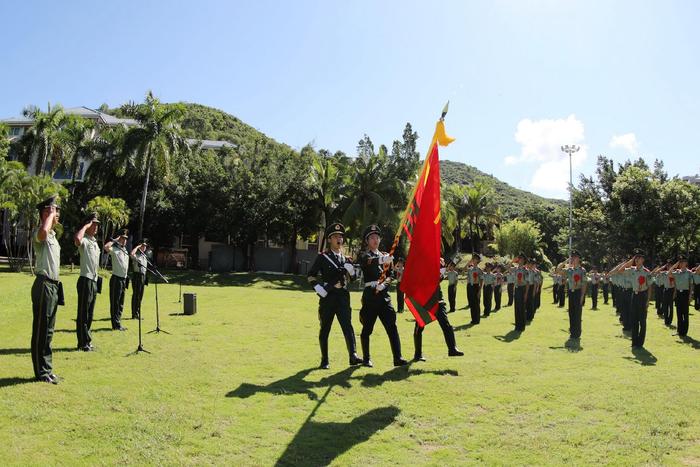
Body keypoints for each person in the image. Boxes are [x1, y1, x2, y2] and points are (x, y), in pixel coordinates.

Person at [307, 223, 362, 369]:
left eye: (341, 237)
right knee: (325, 328)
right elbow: (311, 276)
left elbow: (355, 279)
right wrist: (317, 287)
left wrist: (351, 271)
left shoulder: (346, 259)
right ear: (330, 239)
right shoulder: (323, 257)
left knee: (347, 326)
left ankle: (353, 355)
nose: (339, 239)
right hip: (329, 297)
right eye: (336, 237)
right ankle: (324, 360)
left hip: (343, 296)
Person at [357, 225, 408, 367]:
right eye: (372, 237)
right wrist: (381, 260)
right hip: (370, 295)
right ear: (367, 240)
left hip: (384, 296)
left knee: (392, 326)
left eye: (377, 237)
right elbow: (366, 262)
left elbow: (391, 275)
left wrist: (384, 284)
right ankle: (366, 358)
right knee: (367, 328)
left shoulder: (385, 255)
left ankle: (397, 357)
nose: (375, 240)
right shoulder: (364, 254)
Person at [31, 195, 63, 384]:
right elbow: (42, 232)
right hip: (43, 284)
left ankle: (47, 369)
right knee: (41, 330)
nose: (57, 214)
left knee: (49, 331)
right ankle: (40, 372)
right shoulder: (40, 233)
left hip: (53, 286)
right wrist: (48, 217)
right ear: (45, 212)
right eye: (53, 210)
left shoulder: (53, 237)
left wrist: (50, 218)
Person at [413, 258, 464, 361]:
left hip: (437, 298)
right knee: (419, 326)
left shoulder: (440, 260)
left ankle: (452, 349)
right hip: (425, 298)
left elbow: (439, 279)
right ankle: (418, 354)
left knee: (446, 324)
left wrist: (442, 271)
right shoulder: (421, 261)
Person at [74, 212, 101, 351]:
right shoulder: (84, 239)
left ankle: (87, 340)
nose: (96, 227)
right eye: (93, 224)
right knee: (83, 313)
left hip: (94, 280)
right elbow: (77, 240)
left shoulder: (94, 242)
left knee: (90, 314)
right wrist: (85, 226)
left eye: (97, 224)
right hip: (85, 279)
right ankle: (82, 342)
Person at [618, 250, 652, 348]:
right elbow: (620, 270)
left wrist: (648, 301)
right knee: (634, 319)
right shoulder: (632, 270)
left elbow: (649, 287)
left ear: (643, 260)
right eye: (636, 258)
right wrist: (631, 260)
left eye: (639, 258)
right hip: (634, 295)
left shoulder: (646, 272)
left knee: (642, 320)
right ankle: (634, 342)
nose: (637, 260)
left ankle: (640, 342)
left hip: (643, 296)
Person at [104, 228, 130, 331]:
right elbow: (106, 247)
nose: (124, 240)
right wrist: (115, 240)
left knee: (121, 303)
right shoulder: (114, 249)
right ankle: (115, 324)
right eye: (122, 238)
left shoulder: (125, 250)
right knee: (115, 302)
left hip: (123, 279)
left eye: (125, 239)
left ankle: (118, 322)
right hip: (116, 279)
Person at [561, 251, 587, 340]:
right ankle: (572, 332)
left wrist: (582, 297)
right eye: (572, 257)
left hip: (578, 293)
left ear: (579, 259)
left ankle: (577, 333)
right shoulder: (569, 270)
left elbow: (584, 284)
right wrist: (566, 261)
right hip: (571, 293)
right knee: (571, 313)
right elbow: (558, 270)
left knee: (577, 314)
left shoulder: (582, 270)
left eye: (575, 257)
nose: (573, 259)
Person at [669, 256, 692, 337]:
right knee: (679, 313)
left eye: (683, 262)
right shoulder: (677, 272)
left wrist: (690, 296)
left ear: (686, 263)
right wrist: (676, 264)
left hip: (685, 294)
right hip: (678, 294)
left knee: (685, 313)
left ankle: (684, 332)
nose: (682, 264)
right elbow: (669, 273)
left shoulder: (689, 273)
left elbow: (691, 285)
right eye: (680, 262)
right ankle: (679, 331)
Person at [130, 240, 149, 320]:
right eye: (142, 246)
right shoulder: (136, 254)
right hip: (137, 276)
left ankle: (137, 312)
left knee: (140, 296)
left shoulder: (144, 256)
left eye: (145, 246)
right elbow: (131, 254)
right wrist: (137, 247)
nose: (144, 247)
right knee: (136, 295)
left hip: (143, 276)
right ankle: (134, 313)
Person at [511, 254, 529, 332]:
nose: (519, 260)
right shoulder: (515, 269)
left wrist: (526, 294)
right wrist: (512, 261)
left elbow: (528, 283)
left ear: (524, 260)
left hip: (523, 289)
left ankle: (522, 326)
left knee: (522, 308)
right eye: (519, 259)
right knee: (517, 307)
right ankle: (517, 325)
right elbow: (507, 268)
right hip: (517, 288)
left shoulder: (526, 270)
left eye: (521, 259)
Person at [466, 254, 483, 324]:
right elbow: (463, 270)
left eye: (475, 259)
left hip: (476, 287)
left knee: (476, 304)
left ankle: (477, 320)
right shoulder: (470, 269)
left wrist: (479, 290)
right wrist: (469, 262)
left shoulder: (479, 270)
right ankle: (473, 319)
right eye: (473, 258)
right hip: (470, 286)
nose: (473, 260)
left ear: (478, 260)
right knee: (472, 303)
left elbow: (482, 280)